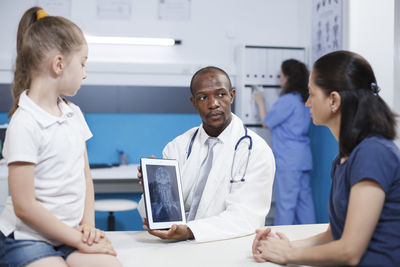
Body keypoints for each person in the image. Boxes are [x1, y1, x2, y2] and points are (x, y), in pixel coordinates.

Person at [252, 51, 400, 266]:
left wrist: (287, 255)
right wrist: (285, 244)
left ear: (333, 100)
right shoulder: (343, 159)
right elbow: (334, 234)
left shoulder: (373, 153)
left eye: (312, 94)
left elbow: (349, 251)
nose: (307, 103)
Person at [0, 7, 122, 267]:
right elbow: (24, 206)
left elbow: (85, 176)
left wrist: (87, 228)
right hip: (27, 237)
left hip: (69, 234)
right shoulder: (24, 122)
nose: (85, 73)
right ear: (58, 64)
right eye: (83, 63)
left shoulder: (73, 114)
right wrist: (77, 240)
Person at [137, 66, 275, 242]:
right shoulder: (178, 146)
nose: (213, 104)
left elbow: (246, 217)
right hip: (176, 245)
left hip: (226, 246)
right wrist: (152, 189)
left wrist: (189, 231)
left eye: (220, 94)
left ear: (231, 96)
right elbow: (163, 214)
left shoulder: (256, 151)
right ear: (193, 102)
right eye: (203, 97)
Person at [253, 59, 315, 225]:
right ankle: (311, 238)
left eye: (281, 75)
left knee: (286, 204)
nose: (279, 79)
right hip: (303, 158)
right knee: (305, 204)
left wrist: (260, 101)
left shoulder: (288, 100)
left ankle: (280, 242)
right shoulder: (305, 100)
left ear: (288, 78)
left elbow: (267, 122)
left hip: (288, 160)